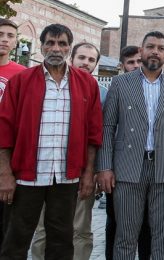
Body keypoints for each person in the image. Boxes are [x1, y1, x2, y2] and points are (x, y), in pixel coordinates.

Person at [0, 24, 102, 259]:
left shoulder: (87, 84)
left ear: (69, 48)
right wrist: (4, 174)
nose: (56, 48)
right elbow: (4, 131)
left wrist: (88, 173)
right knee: (15, 240)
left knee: (61, 241)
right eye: (50, 43)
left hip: (66, 177)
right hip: (26, 176)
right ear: (42, 46)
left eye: (62, 43)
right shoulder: (21, 81)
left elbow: (93, 134)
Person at [96, 31, 164, 259]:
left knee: (163, 236)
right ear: (141, 51)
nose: (155, 51)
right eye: (150, 46)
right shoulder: (120, 83)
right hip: (128, 169)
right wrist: (105, 167)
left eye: (161, 48)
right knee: (126, 236)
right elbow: (108, 127)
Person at [32, 42, 107, 260]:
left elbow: (100, 135)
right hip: (46, 169)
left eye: (91, 60)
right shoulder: (52, 86)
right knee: (43, 229)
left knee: (80, 228)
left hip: (82, 171)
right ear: (71, 58)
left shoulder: (102, 93)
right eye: (82, 57)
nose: (86, 63)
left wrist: (94, 171)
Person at [102, 45, 150, 260]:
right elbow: (107, 129)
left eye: (139, 61)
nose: (136, 66)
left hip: (148, 168)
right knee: (116, 222)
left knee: (147, 224)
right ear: (122, 66)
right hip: (120, 169)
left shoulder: (153, 88)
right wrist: (106, 167)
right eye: (131, 62)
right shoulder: (117, 87)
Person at [0, 18, 25, 244]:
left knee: (6, 226)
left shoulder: (22, 74)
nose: (4, 40)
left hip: (8, 155)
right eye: (1, 34)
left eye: (9, 36)